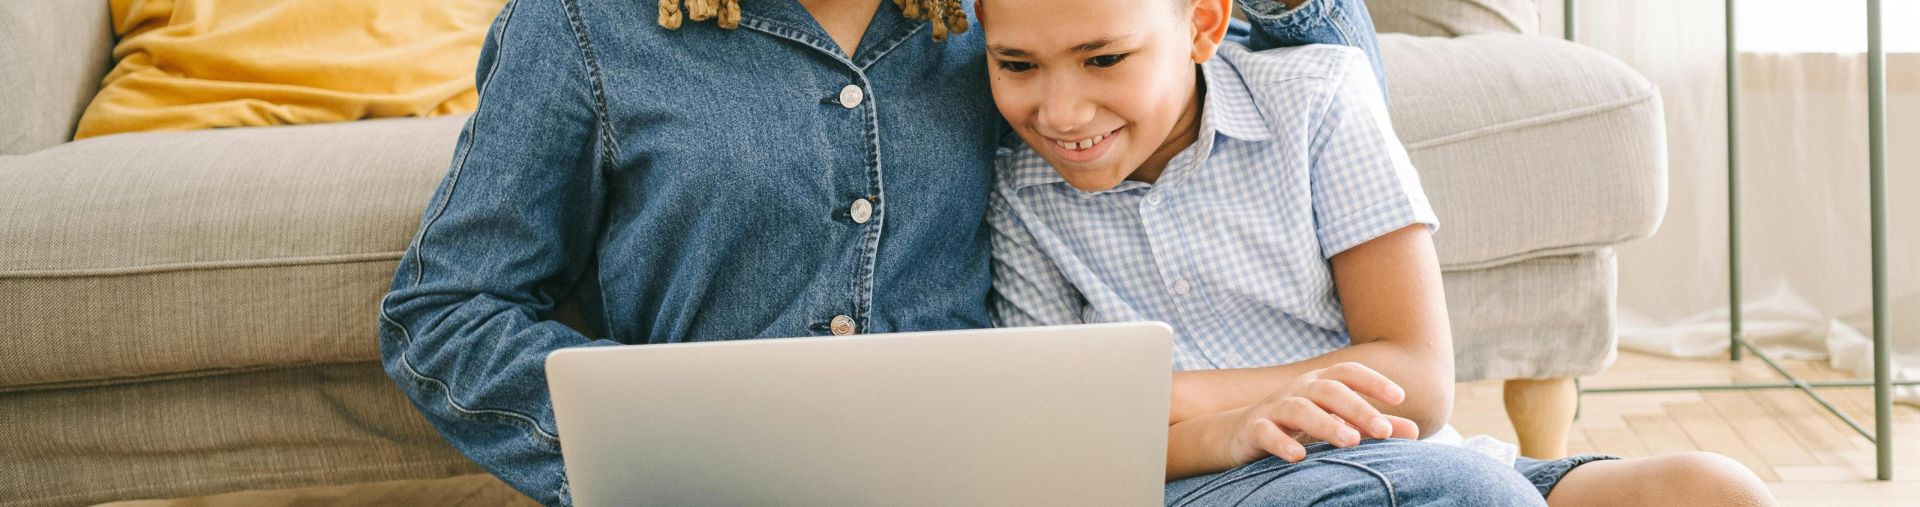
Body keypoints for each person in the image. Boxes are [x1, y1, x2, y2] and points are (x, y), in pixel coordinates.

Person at [377, 0, 1396, 505]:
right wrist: (643, 450)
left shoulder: (998, 17)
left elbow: (1272, 46)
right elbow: (445, 310)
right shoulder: (585, 28)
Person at [978, 0, 1776, 505]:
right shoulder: (1014, 191)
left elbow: (1420, 383)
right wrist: (1227, 428)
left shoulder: (1319, 99)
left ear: (1203, 24)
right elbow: (1072, 439)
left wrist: (1177, 393)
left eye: (1104, 58)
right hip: (1208, 483)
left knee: (1712, 488)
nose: (1061, 109)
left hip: (1426, 465)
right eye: (1016, 64)